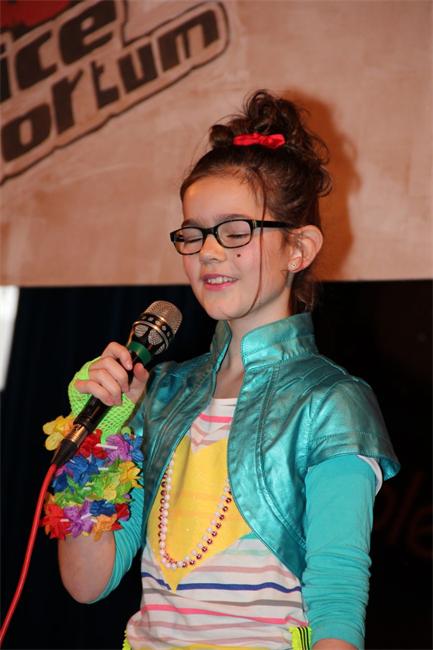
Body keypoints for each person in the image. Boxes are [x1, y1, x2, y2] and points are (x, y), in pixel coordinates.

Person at [45, 90, 399, 650]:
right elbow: (86, 583)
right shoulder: (162, 393)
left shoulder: (331, 401)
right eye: (193, 233)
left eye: (235, 231)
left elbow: (337, 594)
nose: (208, 253)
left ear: (299, 248)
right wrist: (98, 439)